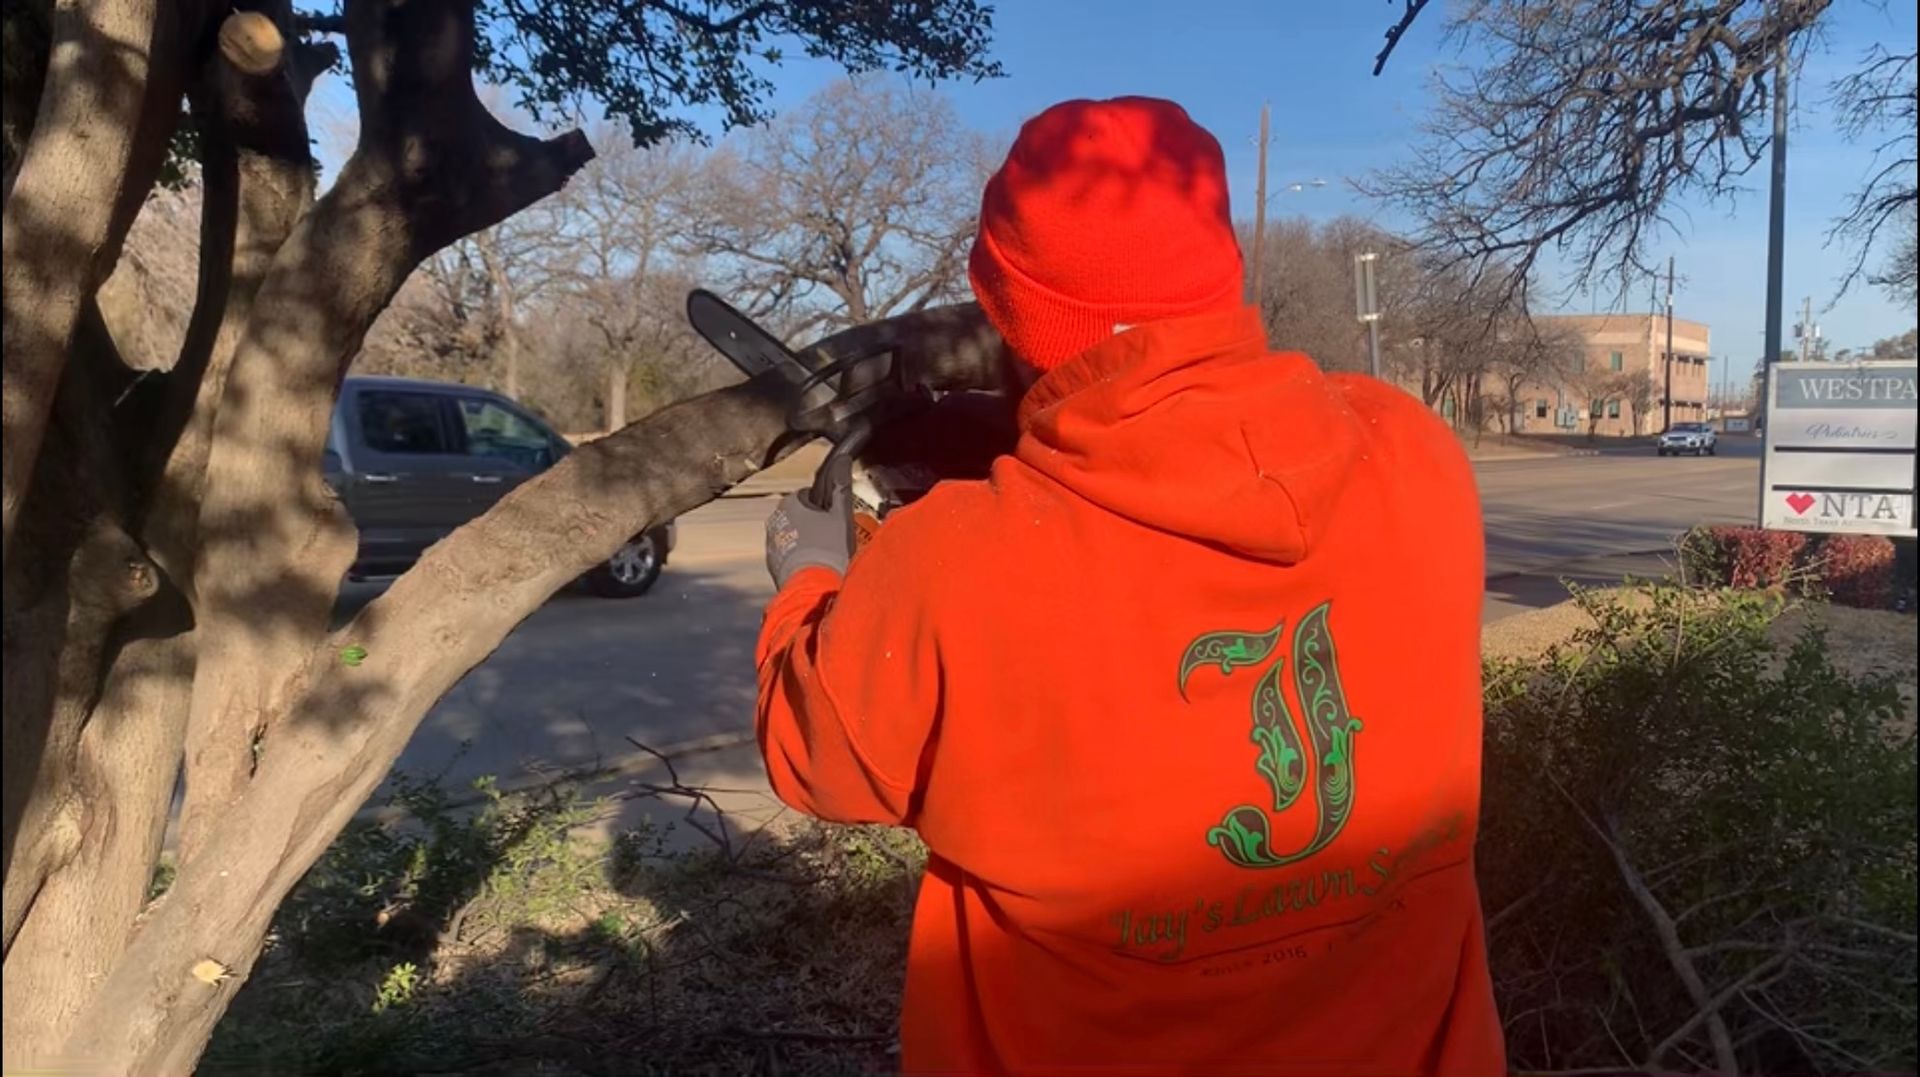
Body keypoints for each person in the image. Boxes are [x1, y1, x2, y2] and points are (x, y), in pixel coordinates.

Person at [757, 96, 1504, 1075]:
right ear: (1221, 270)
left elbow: (819, 759)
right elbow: (1183, 448)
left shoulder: (953, 561)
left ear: (1012, 312)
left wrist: (808, 573)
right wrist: (1019, 435)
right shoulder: (1417, 457)